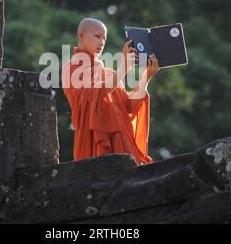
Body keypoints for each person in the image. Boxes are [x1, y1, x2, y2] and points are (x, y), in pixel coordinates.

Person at [61, 17, 160, 165]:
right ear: (81, 35)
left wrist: (147, 75)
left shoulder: (108, 74)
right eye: (97, 36)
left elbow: (130, 107)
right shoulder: (72, 68)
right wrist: (124, 68)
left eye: (104, 38)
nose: (101, 42)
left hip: (122, 145)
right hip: (92, 143)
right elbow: (98, 92)